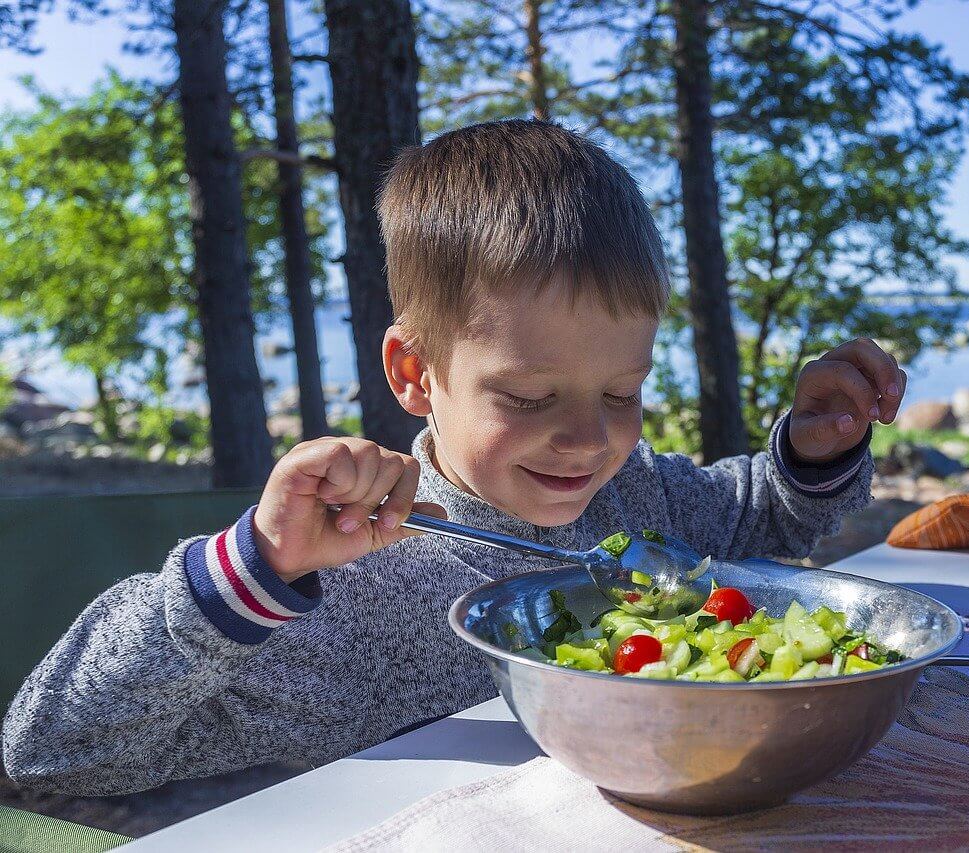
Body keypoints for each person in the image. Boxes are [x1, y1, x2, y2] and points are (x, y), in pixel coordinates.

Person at [3, 119, 904, 795]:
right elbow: (53, 747)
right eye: (526, 397)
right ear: (414, 373)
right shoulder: (352, 594)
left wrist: (812, 452)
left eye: (622, 393)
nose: (590, 439)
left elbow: (767, 520)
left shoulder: (641, 505)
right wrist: (257, 570)